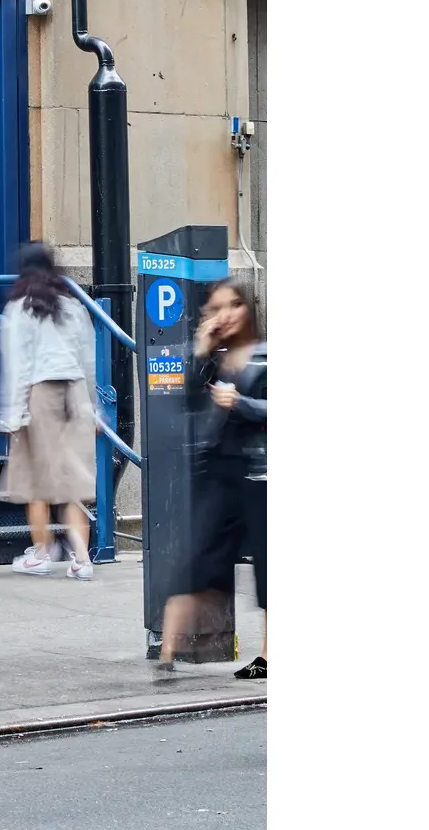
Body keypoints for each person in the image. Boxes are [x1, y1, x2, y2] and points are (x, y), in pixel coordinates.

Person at [157, 278, 267, 680]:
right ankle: (167, 653)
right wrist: (200, 350)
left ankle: (268, 657)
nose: (226, 315)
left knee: (268, 564)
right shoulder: (214, 358)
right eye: (217, 308)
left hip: (261, 472)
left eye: (234, 305)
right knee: (198, 557)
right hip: (219, 470)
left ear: (247, 309)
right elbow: (187, 400)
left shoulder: (266, 355)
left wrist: (241, 403)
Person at [0, 243, 101, 580]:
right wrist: (94, 408)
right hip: (75, 392)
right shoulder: (73, 306)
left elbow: (17, 366)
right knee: (72, 480)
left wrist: (12, 415)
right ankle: (82, 560)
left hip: (39, 393)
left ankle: (42, 552)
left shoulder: (18, 309)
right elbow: (89, 360)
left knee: (35, 478)